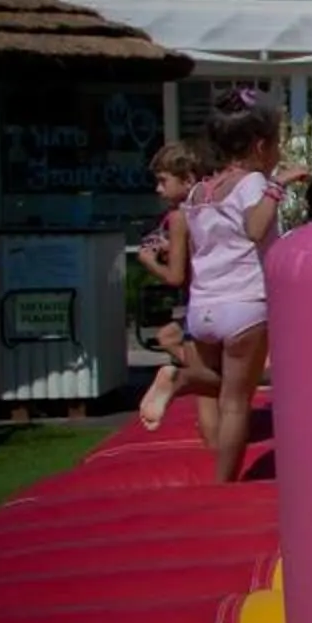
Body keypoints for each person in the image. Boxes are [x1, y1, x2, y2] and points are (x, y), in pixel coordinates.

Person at [151, 89, 283, 481]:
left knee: (220, 386)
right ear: (261, 146)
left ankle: (183, 377)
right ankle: (224, 483)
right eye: (276, 144)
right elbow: (255, 228)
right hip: (244, 304)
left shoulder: (198, 192)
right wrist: (276, 187)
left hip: (203, 307)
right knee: (235, 402)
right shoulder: (254, 182)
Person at [133, 142, 207, 428]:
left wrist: (149, 261)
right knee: (169, 338)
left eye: (164, 181)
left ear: (187, 178)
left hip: (199, 301)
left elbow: (176, 277)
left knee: (217, 377)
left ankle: (181, 379)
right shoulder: (207, 209)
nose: (159, 190)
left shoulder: (179, 217)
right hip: (222, 296)